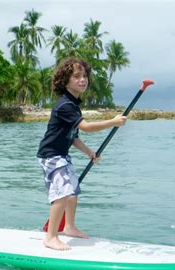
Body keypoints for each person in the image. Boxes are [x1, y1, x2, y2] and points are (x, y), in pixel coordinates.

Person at [37, 57, 127, 251]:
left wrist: (89, 152)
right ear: (65, 81)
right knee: (62, 192)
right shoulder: (65, 106)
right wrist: (113, 121)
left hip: (61, 154)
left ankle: (69, 227)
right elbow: (86, 127)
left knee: (73, 191)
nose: (82, 80)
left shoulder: (73, 104)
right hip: (51, 155)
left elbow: (74, 137)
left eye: (84, 76)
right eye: (76, 76)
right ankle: (51, 236)